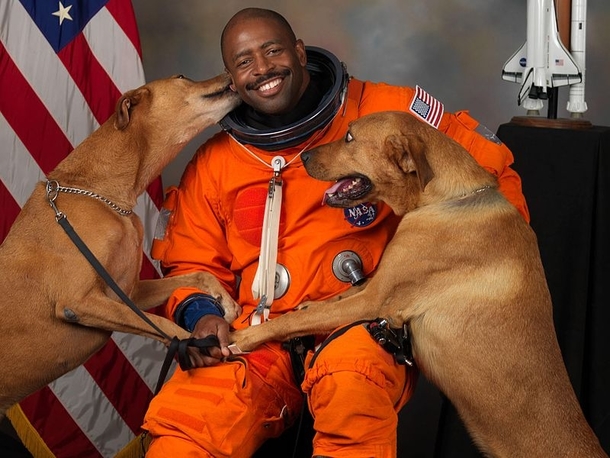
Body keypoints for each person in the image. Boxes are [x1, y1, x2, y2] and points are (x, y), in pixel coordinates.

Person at [142, 7, 530, 458]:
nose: (263, 69)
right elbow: (190, 260)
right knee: (183, 428)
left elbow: (488, 176)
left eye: (272, 51)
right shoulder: (215, 164)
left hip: (361, 324)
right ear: (231, 78)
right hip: (256, 334)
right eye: (244, 61)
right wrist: (201, 317)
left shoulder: (389, 114)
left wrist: (452, 285)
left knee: (351, 391)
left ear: (300, 51)